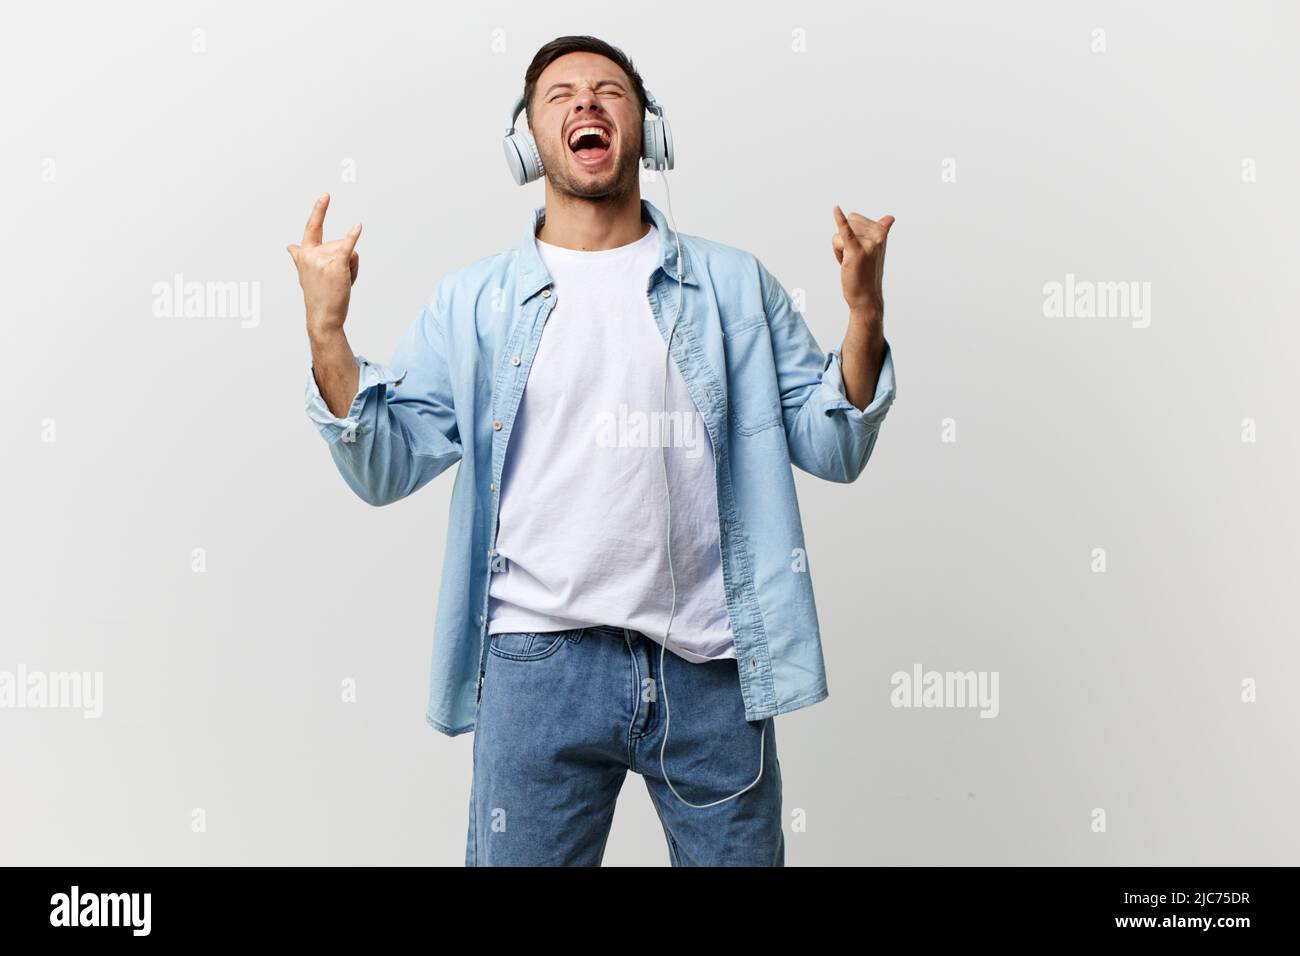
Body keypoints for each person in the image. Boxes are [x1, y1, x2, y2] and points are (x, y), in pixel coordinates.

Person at [288, 35, 898, 866]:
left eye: (609, 91)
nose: (586, 104)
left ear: (646, 128)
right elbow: (385, 464)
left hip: (711, 668)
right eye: (560, 94)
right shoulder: (476, 303)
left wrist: (865, 316)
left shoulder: (732, 287)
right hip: (538, 668)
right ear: (526, 141)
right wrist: (329, 331)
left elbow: (835, 443)